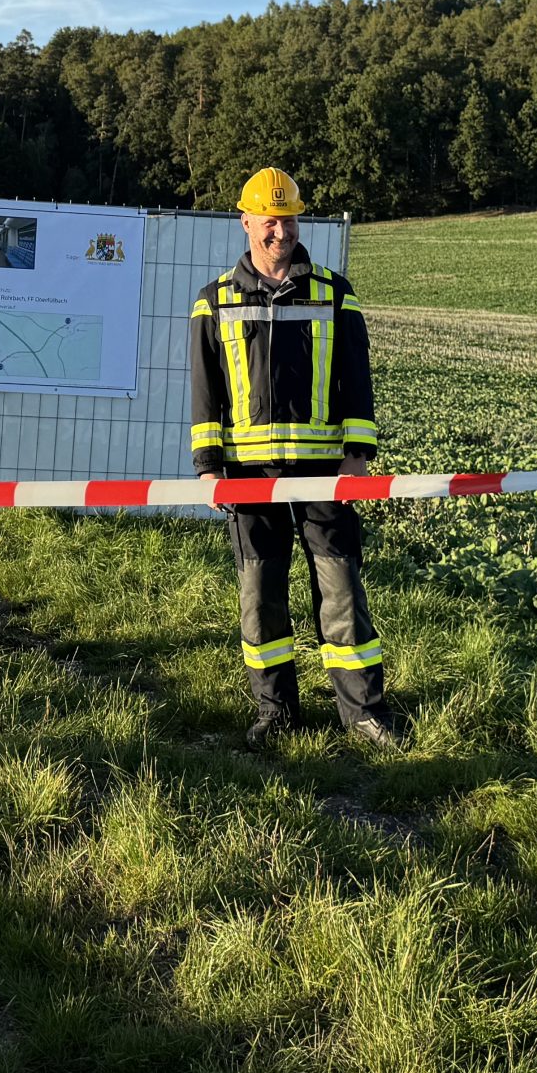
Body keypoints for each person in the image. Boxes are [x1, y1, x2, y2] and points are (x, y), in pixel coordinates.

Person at [187, 167, 399, 749]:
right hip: (246, 478)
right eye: (269, 220)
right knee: (261, 596)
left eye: (289, 218)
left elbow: (357, 378)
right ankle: (275, 712)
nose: (280, 231)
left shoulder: (334, 292)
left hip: (326, 474)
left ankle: (363, 715)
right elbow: (205, 391)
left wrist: (357, 456)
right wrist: (209, 467)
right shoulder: (214, 301)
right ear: (247, 221)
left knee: (342, 593)